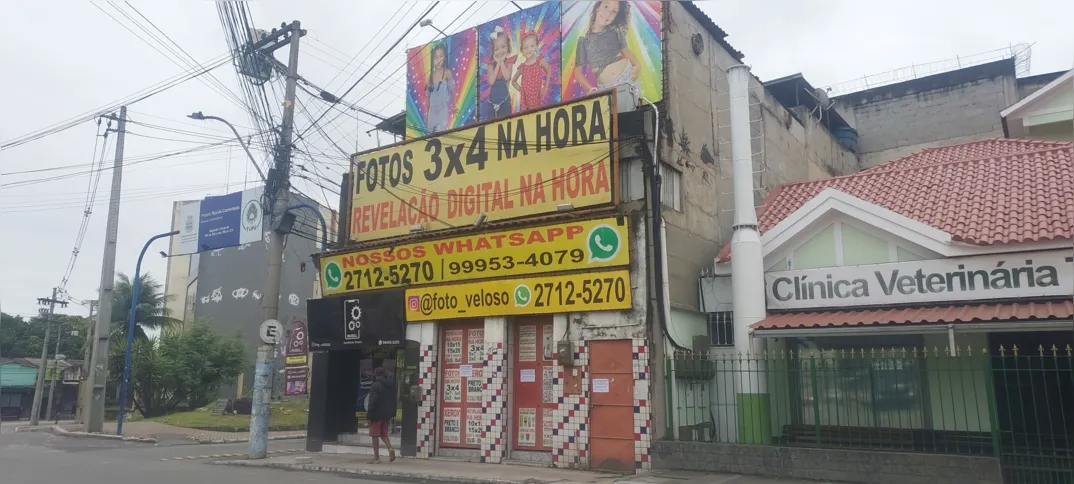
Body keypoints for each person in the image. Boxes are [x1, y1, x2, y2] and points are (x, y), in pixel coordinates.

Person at [573, 0, 641, 95]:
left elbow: (627, 52)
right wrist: (592, 90)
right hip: (606, 90)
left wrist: (636, 69)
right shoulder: (583, 42)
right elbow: (578, 73)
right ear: (597, 8)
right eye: (606, 7)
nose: (608, 13)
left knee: (635, 109)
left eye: (614, 12)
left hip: (628, 79)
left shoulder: (616, 32)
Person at [512, 29, 552, 112]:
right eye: (525, 47)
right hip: (526, 100)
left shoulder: (539, 61)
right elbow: (513, 81)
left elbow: (548, 70)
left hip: (537, 96)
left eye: (532, 46)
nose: (528, 49)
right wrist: (521, 90)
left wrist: (545, 86)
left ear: (536, 47)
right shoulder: (522, 67)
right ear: (522, 51)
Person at [365, 366, 397, 463]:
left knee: (375, 435)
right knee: (384, 434)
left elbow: (372, 401)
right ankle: (390, 449)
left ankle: (376, 458)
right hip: (386, 414)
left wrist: (369, 414)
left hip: (376, 414)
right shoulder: (391, 385)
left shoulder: (376, 385)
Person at [486, 26, 515, 119]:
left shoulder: (509, 61)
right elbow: (491, 81)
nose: (500, 51)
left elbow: (507, 77)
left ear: (507, 46)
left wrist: (502, 61)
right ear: (493, 50)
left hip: (505, 101)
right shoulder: (490, 64)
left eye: (503, 47)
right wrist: (498, 63)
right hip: (492, 101)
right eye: (497, 49)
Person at [425, 43, 454, 133]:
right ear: (433, 59)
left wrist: (454, 106)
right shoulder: (430, 76)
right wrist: (427, 113)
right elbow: (428, 97)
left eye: (441, 56)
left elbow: (452, 90)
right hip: (432, 110)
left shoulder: (447, 72)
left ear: (444, 57)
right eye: (436, 57)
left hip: (442, 108)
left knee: (441, 133)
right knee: (430, 134)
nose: (438, 60)